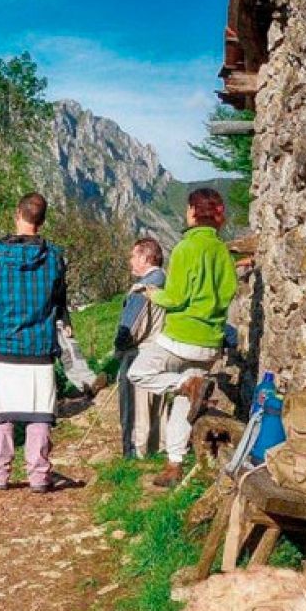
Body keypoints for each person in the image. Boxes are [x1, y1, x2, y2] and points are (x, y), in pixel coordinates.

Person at [128, 188, 238, 487]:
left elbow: (175, 298)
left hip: (180, 337)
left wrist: (152, 294)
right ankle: (174, 464)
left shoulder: (185, 248)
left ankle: (184, 384)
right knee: (183, 402)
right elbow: (229, 292)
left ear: (191, 211)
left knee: (138, 372)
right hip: (210, 342)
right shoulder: (223, 251)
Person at [0, 192, 71, 493]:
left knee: (1, 412)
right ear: (42, 220)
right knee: (39, 411)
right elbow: (59, 298)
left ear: (18, 214)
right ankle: (39, 476)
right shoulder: (54, 256)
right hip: (40, 345)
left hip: (5, 344)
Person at [115, 237, 167, 459]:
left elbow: (131, 329)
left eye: (133, 256)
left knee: (136, 408)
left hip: (140, 354)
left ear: (146, 258)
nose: (130, 261)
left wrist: (119, 347)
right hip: (163, 350)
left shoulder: (142, 289)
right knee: (159, 405)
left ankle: (137, 452)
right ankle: (160, 447)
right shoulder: (168, 283)